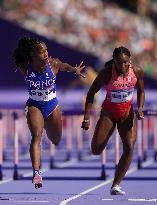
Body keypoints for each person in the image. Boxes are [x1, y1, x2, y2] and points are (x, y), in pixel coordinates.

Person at [12, 36, 85, 189]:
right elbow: (16, 60)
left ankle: (48, 129)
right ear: (33, 55)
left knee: (56, 139)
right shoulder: (25, 66)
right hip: (34, 105)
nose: (45, 54)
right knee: (36, 136)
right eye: (41, 52)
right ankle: (37, 173)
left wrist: (74, 70)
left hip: (52, 105)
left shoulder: (53, 64)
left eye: (46, 51)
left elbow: (64, 66)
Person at [81, 46, 145, 195]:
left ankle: (116, 184)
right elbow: (91, 93)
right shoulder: (107, 73)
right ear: (114, 62)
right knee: (96, 150)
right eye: (118, 63)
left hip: (127, 113)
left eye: (125, 62)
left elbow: (141, 91)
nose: (122, 66)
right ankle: (115, 159)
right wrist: (86, 116)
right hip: (109, 113)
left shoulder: (137, 71)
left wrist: (140, 107)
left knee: (129, 147)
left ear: (129, 61)